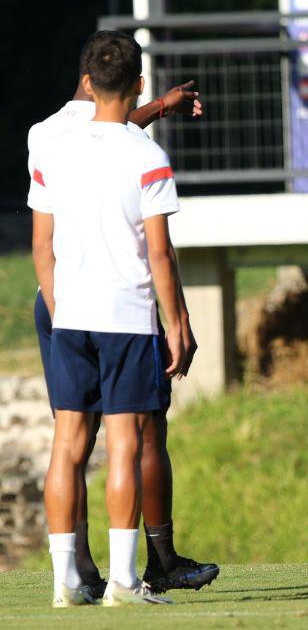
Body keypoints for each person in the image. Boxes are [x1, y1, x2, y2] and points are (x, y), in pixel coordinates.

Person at [27, 53, 218, 598]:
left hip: (68, 309)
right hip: (125, 313)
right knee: (127, 444)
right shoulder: (147, 154)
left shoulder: (51, 145)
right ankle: (126, 579)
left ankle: (65, 579)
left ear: (86, 77)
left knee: (68, 442)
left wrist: (59, 307)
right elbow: (159, 254)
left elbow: (41, 243)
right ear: (137, 83)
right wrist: (177, 322)